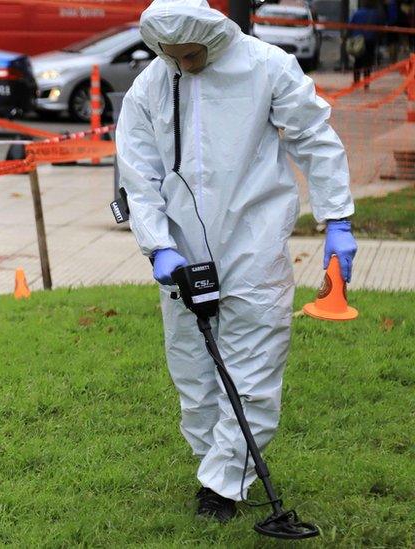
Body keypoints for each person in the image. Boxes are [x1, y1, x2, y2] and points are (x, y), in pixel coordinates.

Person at [116, 0, 356, 524]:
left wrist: (336, 217)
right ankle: (216, 467)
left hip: (254, 239)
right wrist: (158, 245)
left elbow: (314, 136)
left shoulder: (265, 66)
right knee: (193, 367)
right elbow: (139, 174)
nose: (185, 63)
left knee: (251, 363)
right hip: (182, 250)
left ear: (213, 35)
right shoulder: (152, 86)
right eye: (172, 54)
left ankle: (224, 486)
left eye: (192, 52)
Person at [348, 0, 384, 87]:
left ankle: (356, 81)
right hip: (370, 40)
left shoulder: (357, 13)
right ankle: (366, 83)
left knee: (358, 61)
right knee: (368, 62)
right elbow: (380, 27)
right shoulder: (376, 14)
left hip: (358, 41)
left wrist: (351, 36)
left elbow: (350, 25)